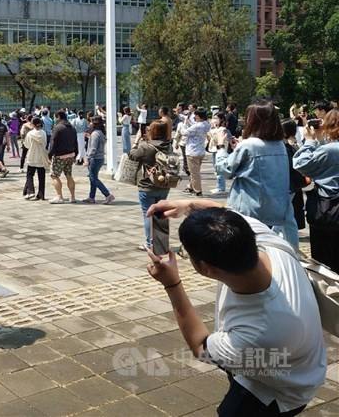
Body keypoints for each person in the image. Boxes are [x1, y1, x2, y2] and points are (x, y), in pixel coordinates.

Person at [145, 199, 326, 417]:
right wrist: (187, 205)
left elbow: (201, 348)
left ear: (205, 267)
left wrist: (172, 284)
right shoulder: (271, 244)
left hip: (275, 393)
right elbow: (226, 212)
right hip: (301, 365)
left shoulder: (259, 331)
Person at [215, 102, 299, 250]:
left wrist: (221, 147)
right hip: (275, 208)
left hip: (249, 209)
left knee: (246, 250)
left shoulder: (249, 145)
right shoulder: (279, 145)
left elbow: (225, 170)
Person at [293, 109, 339, 271]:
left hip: (327, 210)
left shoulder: (330, 150)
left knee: (325, 261)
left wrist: (310, 141)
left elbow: (300, 164)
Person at [129, 121, 172, 249]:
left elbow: (132, 155)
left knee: (148, 214)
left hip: (147, 185)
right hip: (164, 184)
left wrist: (136, 141)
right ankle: (162, 244)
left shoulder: (146, 147)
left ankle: (149, 244)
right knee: (160, 214)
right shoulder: (168, 146)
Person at [282, 119, 308, 233]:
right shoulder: (289, 145)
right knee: (288, 217)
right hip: (293, 184)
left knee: (286, 217)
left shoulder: (288, 146)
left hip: (290, 184)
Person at [48, 110, 78, 204]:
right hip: (71, 154)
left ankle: (59, 196)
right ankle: (73, 197)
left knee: (54, 175)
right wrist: (75, 154)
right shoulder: (72, 128)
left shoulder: (58, 128)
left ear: (58, 117)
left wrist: (49, 155)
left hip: (60, 156)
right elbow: (75, 142)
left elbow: (53, 143)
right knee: (69, 175)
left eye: (55, 117)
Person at [83, 116, 114, 204]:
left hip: (95, 158)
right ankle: (91, 197)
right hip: (100, 158)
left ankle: (108, 195)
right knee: (93, 178)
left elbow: (93, 149)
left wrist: (88, 159)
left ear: (93, 124)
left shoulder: (95, 134)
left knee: (93, 178)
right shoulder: (100, 133)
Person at [179, 109, 210, 197]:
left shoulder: (197, 126)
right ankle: (191, 187)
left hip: (192, 152)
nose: (194, 117)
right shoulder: (206, 124)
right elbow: (194, 127)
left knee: (194, 173)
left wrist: (183, 124)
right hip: (200, 151)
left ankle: (198, 191)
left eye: (195, 116)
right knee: (195, 171)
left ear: (198, 116)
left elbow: (184, 132)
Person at [23, 117, 48, 201]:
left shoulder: (30, 134)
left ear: (33, 124)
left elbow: (26, 145)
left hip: (32, 156)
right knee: (41, 177)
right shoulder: (43, 133)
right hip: (41, 157)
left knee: (30, 175)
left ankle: (30, 191)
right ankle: (41, 194)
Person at [206, 112, 230, 194]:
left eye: (216, 118)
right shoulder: (214, 129)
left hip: (220, 151)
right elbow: (209, 138)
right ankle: (219, 186)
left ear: (221, 119)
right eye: (213, 118)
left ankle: (221, 187)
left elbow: (221, 140)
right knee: (216, 169)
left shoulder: (223, 129)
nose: (214, 120)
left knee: (219, 169)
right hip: (214, 150)